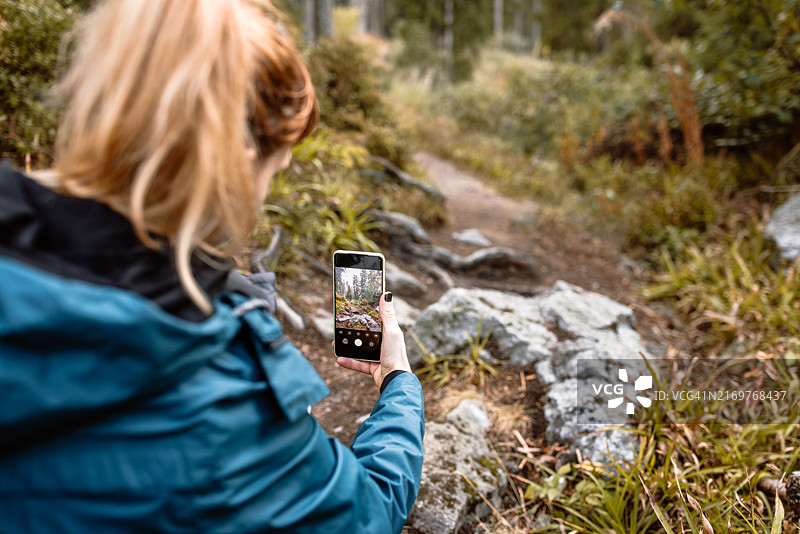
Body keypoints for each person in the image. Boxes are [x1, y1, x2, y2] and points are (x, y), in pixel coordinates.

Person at [0, 0, 424, 532]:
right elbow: (368, 511)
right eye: (275, 170)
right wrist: (398, 380)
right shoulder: (225, 408)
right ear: (236, 160)